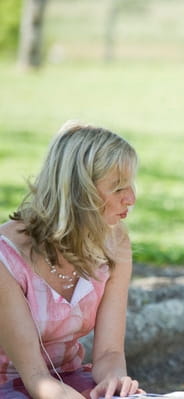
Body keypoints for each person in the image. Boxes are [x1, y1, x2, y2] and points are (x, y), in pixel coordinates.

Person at [0, 121, 142, 399]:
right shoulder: (6, 256)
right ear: (80, 192)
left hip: (69, 381)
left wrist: (116, 383)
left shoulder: (115, 241)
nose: (132, 198)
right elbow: (36, 377)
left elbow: (110, 353)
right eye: (118, 188)